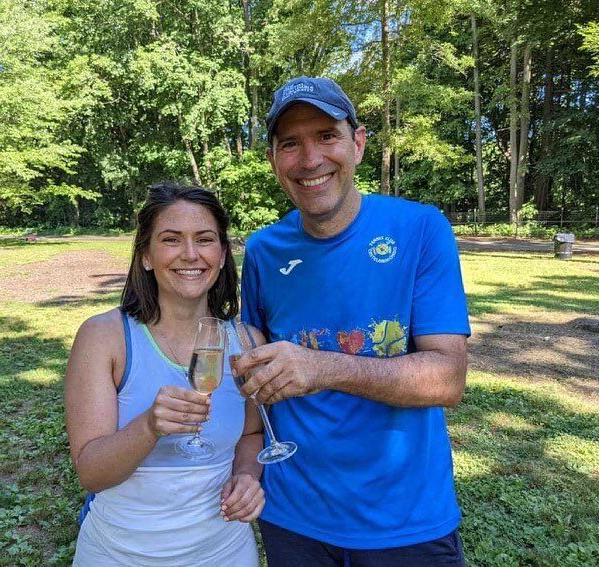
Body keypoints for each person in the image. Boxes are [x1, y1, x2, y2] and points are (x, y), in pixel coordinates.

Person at [233, 77, 471, 566]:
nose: (310, 159)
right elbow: (251, 358)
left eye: (326, 135)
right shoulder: (262, 250)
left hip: (405, 520)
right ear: (275, 162)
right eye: (290, 144)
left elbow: (447, 379)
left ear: (357, 143)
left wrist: (321, 368)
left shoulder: (421, 228)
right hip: (293, 515)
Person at [65, 182, 265, 566]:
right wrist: (148, 428)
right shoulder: (104, 337)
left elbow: (252, 433)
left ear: (222, 255)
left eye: (205, 239)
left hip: (225, 552)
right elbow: (91, 473)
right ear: (146, 255)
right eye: (171, 239)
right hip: (121, 553)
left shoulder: (245, 340)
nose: (190, 254)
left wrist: (246, 476)